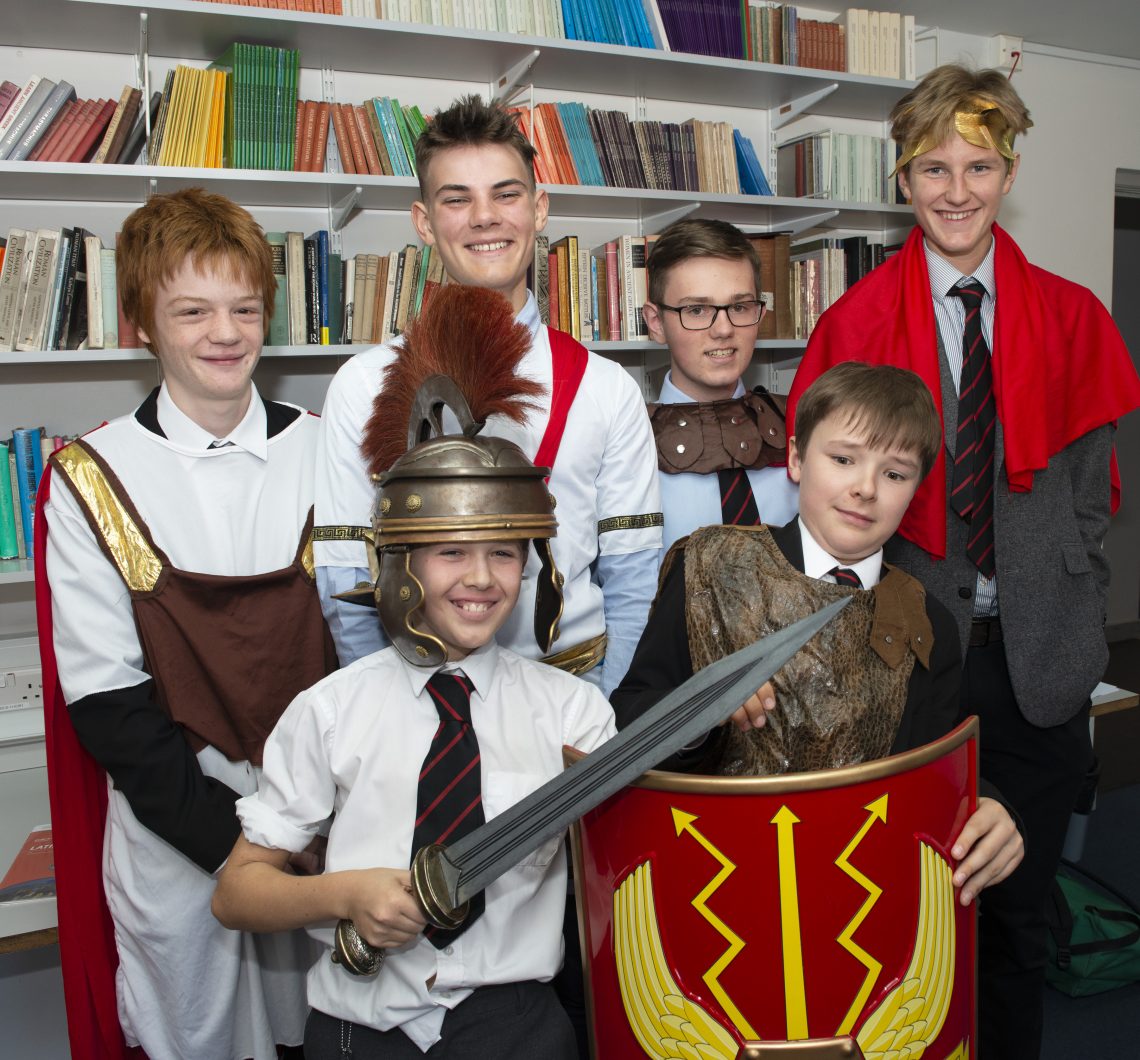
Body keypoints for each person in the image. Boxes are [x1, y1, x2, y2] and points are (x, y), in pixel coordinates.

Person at [785, 65, 1140, 1060]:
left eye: (978, 165)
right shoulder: (854, 324)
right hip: (906, 660)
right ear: (903, 177)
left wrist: (1074, 596)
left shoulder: (1071, 315)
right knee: (907, 918)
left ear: (1009, 169)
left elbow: (1091, 497)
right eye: (932, 166)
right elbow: (825, 512)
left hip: (1040, 662)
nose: (956, 189)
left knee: (1020, 920)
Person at [212, 287, 617, 1059]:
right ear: (401, 565)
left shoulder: (575, 716)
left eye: (504, 552)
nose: (481, 578)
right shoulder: (331, 710)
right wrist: (344, 894)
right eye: (450, 553)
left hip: (518, 1030)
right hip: (359, 1030)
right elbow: (236, 894)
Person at [36, 188, 337, 1059]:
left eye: (245, 308)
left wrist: (304, 829)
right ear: (142, 323)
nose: (225, 332)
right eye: (192, 310)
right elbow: (106, 699)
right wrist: (237, 847)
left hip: (322, 814)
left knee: (331, 1027)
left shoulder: (327, 449)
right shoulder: (93, 475)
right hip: (178, 834)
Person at [612, 361, 1023, 908]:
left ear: (916, 491)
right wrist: (700, 711)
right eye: (844, 459)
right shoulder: (707, 567)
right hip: (715, 884)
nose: (865, 489)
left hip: (860, 895)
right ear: (797, 459)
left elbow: (935, 772)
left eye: (895, 474)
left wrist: (989, 805)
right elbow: (630, 718)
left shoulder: (929, 624)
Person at [315, 93, 662, 696]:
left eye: (506, 194)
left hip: (573, 694)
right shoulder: (363, 385)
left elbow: (632, 578)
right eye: (457, 200)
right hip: (416, 698)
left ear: (539, 208)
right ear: (424, 221)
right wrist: (389, 715)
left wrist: (608, 719)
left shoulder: (608, 390)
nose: (485, 217)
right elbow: (346, 578)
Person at [642, 218, 797, 550]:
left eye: (739, 306)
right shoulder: (625, 446)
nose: (724, 329)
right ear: (656, 323)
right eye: (697, 310)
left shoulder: (801, 427)